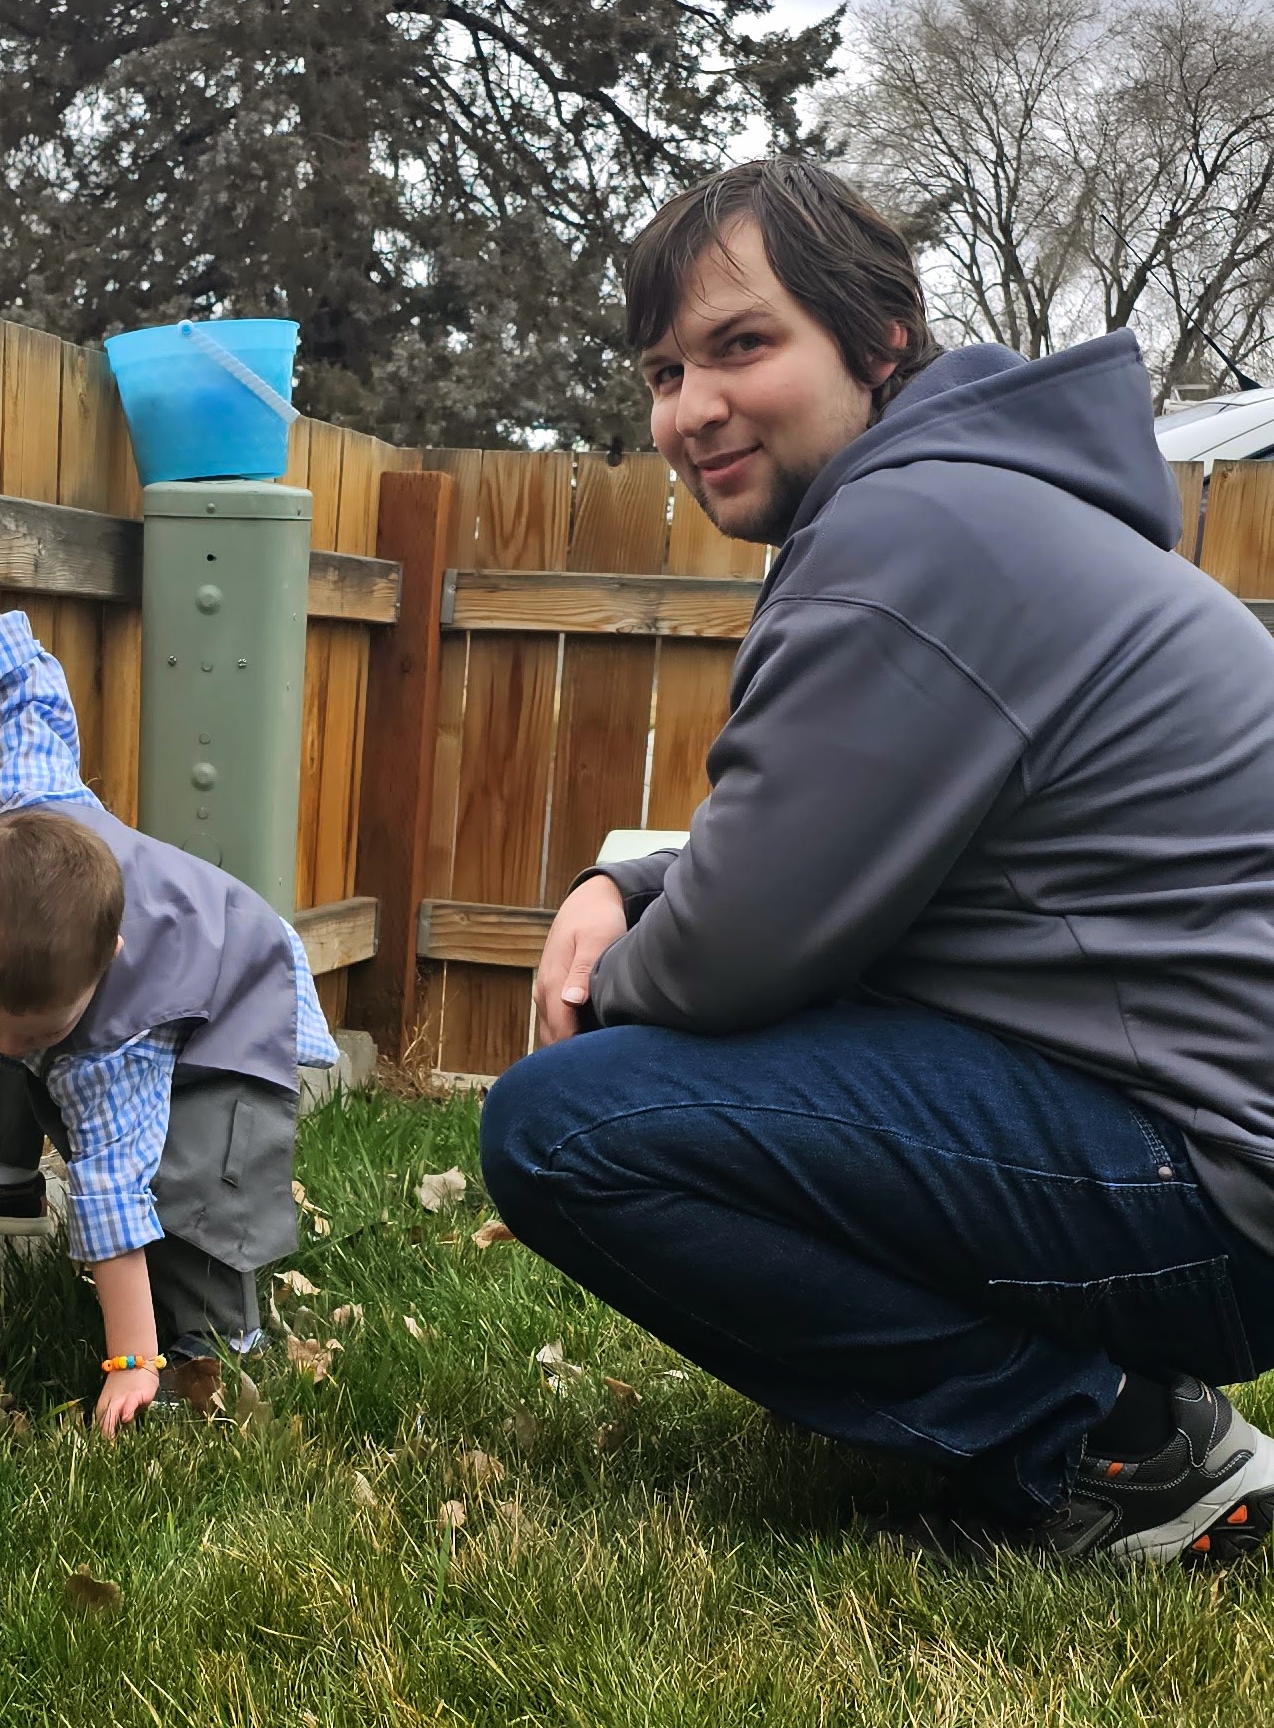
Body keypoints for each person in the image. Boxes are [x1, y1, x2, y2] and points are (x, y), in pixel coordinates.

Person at [477, 158, 1274, 1562]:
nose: (690, 408)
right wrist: (625, 883)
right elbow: (811, 848)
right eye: (665, 370)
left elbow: (737, 952)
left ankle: (1107, 1444)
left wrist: (611, 987)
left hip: (1214, 1184)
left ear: (879, 339)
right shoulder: (971, 504)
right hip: (1201, 1129)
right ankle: (1098, 1403)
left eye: (742, 345)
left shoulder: (906, 536)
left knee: (572, 1122)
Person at [0, 457, 338, 1438]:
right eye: (6, 1032)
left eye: (45, 1032)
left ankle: (214, 1341)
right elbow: (17, 674)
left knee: (196, 1184)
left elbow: (111, 1205)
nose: (18, 1051)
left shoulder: (111, 1045)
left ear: (106, 960)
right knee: (6, 1011)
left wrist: (130, 1357)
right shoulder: (28, 802)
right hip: (141, 964)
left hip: (244, 1002)